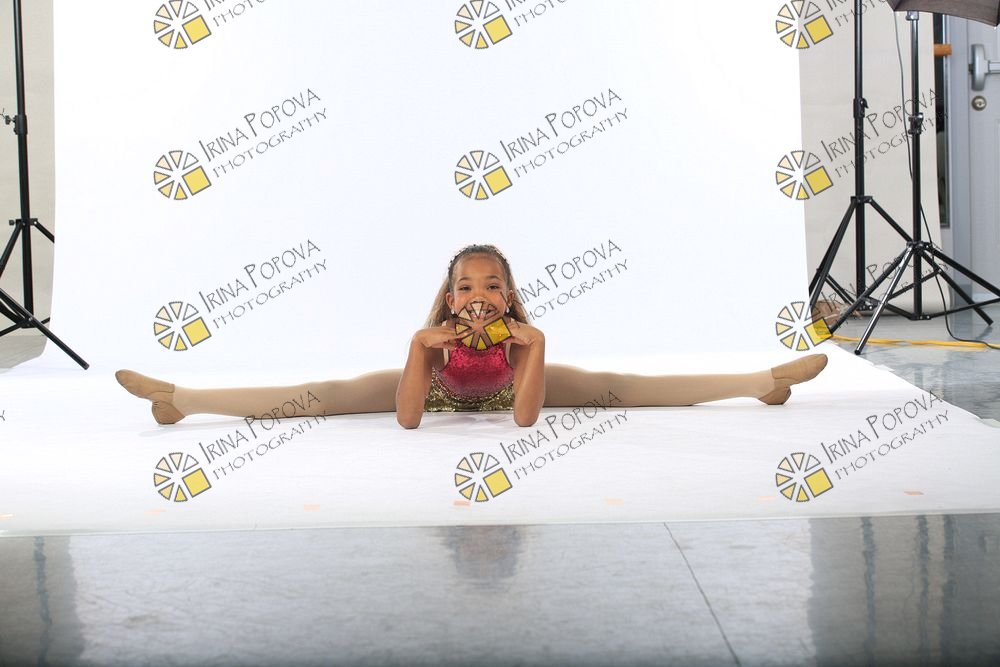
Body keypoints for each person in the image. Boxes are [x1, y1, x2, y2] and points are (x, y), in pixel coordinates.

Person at [116, 244, 828, 429]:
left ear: (508, 294)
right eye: (465, 286)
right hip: (441, 393)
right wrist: (419, 349)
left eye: (491, 285)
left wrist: (534, 346)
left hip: (505, 391)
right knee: (323, 394)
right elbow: (406, 419)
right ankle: (182, 398)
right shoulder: (434, 337)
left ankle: (761, 383)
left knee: (625, 389)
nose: (477, 296)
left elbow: (525, 420)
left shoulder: (520, 337)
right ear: (450, 296)